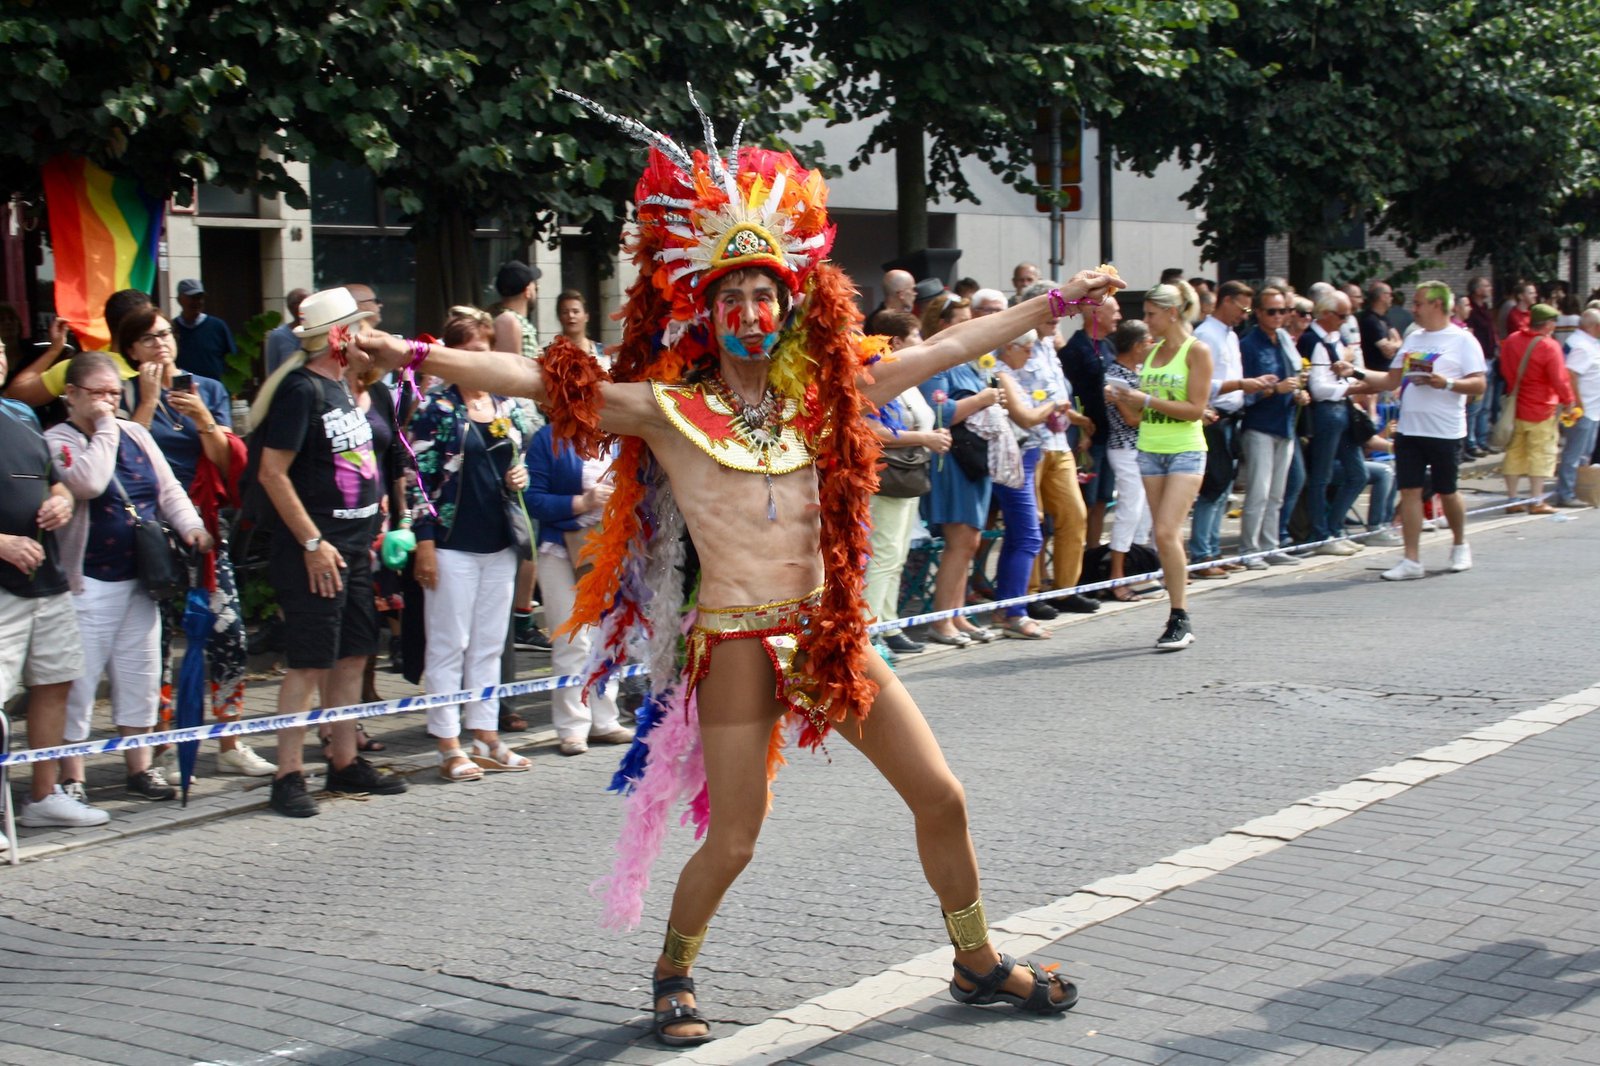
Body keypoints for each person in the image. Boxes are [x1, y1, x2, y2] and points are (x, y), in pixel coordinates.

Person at [356, 104, 1119, 1044]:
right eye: (732, 301)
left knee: (943, 795)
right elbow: (544, 386)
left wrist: (1057, 304)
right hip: (733, 642)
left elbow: (946, 347)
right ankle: (673, 972)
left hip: (829, 631)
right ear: (706, 315)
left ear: (789, 307)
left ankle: (974, 959)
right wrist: (413, 353)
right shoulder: (668, 409)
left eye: (766, 298)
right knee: (737, 837)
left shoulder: (824, 392)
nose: (752, 315)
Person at [251, 287, 408, 817]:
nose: (369, 335)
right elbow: (272, 473)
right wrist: (312, 543)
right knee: (309, 661)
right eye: (359, 326)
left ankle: (344, 763)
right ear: (338, 336)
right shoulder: (301, 390)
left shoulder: (342, 387)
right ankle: (288, 774)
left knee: (354, 652)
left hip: (355, 547)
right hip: (317, 550)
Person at [46, 353, 210, 803]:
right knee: (80, 680)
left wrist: (192, 526)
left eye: (115, 393)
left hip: (141, 578)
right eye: (98, 393)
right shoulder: (58, 440)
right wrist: (103, 429)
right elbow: (90, 483)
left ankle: (139, 766)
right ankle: (73, 775)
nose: (108, 402)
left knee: (140, 672)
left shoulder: (136, 432)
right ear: (72, 396)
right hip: (88, 579)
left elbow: (167, 488)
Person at [117, 306, 272, 777]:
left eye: (165, 334)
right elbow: (124, 458)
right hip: (148, 533)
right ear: (130, 350)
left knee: (228, 634)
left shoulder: (208, 389)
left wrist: (205, 418)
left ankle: (230, 740)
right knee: (157, 643)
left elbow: (229, 463)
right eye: (147, 339)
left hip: (203, 529)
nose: (160, 344)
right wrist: (145, 401)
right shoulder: (122, 393)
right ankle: (163, 744)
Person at [408, 310, 536, 778]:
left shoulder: (506, 406)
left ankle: (485, 735)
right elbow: (417, 480)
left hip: (499, 541)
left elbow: (520, 457)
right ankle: (448, 743)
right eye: (465, 355)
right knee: (449, 644)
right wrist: (425, 542)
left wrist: (519, 475)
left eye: (482, 353)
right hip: (452, 542)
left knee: (487, 645)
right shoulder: (436, 409)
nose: (476, 362)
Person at [0, 343, 103, 829]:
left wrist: (61, 501)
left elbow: (53, 480)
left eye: (1, 351)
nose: (0, 359)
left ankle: (43, 796)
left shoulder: (20, 413)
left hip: (45, 576)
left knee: (55, 681)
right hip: (2, 581)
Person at [1345, 281, 1486, 579]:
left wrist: (1446, 383)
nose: (1413, 308)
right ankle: (1411, 559)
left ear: (1437, 305)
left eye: (1419, 303)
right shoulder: (1413, 340)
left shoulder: (1463, 341)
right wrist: (1354, 373)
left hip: (1446, 429)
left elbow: (1479, 384)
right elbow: (1390, 380)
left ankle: (1460, 544)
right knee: (1409, 490)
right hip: (1410, 428)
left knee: (1447, 491)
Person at [1107, 280, 1211, 649]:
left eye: (1151, 314)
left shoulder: (1196, 351)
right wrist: (1121, 397)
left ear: (1171, 312)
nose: (1146, 322)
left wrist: (1143, 399)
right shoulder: (1151, 356)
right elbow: (1138, 414)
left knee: (1166, 531)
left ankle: (1180, 615)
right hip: (1149, 448)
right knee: (1163, 535)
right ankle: (1176, 610)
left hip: (1185, 449)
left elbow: (1195, 410)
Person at [524, 422, 636, 755]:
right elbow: (534, 500)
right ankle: (573, 726)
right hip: (562, 551)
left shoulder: (618, 438)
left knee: (609, 638)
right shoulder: (549, 438)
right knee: (573, 639)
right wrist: (583, 502)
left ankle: (604, 719)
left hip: (610, 549)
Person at [861, 310, 950, 655]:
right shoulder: (876, 376)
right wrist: (924, 438)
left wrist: (924, 437)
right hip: (886, 473)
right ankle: (870, 632)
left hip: (907, 473)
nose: (922, 344)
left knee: (895, 554)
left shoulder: (906, 377)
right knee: (883, 553)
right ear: (896, 342)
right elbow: (870, 428)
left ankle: (889, 622)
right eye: (916, 338)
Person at [918, 295, 1003, 647]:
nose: (971, 325)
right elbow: (939, 411)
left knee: (969, 542)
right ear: (942, 324)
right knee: (959, 541)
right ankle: (942, 619)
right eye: (962, 320)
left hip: (974, 457)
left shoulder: (969, 360)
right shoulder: (936, 361)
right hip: (951, 459)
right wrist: (983, 399)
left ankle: (956, 614)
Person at [989, 331, 1060, 639]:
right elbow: (1026, 417)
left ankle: (1007, 608)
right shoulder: (1001, 373)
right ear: (1009, 346)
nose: (1030, 356)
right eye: (1027, 349)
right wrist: (1053, 405)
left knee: (1020, 535)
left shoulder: (1008, 373)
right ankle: (1014, 612)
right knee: (1030, 536)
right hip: (1014, 460)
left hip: (1025, 457)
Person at [1237, 288, 1305, 567]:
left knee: (1277, 492)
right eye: (1271, 311)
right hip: (1260, 426)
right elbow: (1244, 393)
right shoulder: (1249, 344)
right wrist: (1274, 389)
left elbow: (1296, 376)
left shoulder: (1286, 341)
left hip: (1285, 424)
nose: (1278, 316)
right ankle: (1249, 549)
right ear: (1259, 313)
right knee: (1259, 491)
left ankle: (1271, 545)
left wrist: (1298, 391)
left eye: (1282, 311)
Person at [1298, 290, 1368, 556]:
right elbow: (1318, 387)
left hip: (1341, 411)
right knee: (1322, 476)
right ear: (1326, 314)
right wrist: (1349, 389)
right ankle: (1321, 533)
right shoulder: (1314, 341)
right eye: (1341, 315)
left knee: (1357, 474)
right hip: (1327, 412)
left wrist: (1349, 383)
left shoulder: (1335, 339)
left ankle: (1333, 527)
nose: (1345, 320)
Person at [4, 290, 150, 408]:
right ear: (135, 328)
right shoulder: (82, 368)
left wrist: (54, 350)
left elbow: (14, 394)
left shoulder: (80, 366)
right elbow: (15, 395)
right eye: (150, 323)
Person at [1497, 303, 1575, 515]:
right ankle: (1537, 500)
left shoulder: (1512, 340)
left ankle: (1512, 499)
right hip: (1541, 408)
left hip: (1516, 407)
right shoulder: (1549, 346)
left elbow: (1504, 367)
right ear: (1548, 324)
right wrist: (1568, 401)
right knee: (1541, 454)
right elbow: (1559, 379)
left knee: (1514, 453)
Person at [1058, 289, 1120, 551]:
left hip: (1110, 435)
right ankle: (1077, 555)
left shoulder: (1109, 347)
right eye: (1114, 311)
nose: (1119, 316)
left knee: (1102, 500)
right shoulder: (1075, 350)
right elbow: (1067, 395)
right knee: (1085, 498)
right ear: (1096, 314)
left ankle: (1093, 552)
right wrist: (1080, 430)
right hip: (1087, 438)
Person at [1101, 320, 1155, 600]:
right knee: (1129, 510)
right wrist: (1163, 411)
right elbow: (1132, 418)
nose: (1152, 346)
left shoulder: (1142, 371)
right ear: (1136, 346)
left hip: (1146, 448)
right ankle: (1116, 576)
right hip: (1125, 448)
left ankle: (1138, 571)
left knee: (1144, 513)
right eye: (1148, 341)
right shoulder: (1115, 376)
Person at [1555, 308, 1600, 506]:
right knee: (1575, 453)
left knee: (1583, 453)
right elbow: (1570, 374)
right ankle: (1566, 493)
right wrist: (1577, 403)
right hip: (1585, 408)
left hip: (1592, 407)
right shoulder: (1582, 345)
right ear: (1596, 327)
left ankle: (1578, 489)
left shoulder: (1586, 342)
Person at [171, 279, 236, 384]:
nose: (197, 302)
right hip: (183, 390)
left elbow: (232, 359)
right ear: (179, 300)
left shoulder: (218, 326)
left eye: (200, 297)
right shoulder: (172, 329)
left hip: (212, 390)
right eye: (192, 298)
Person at [492, 261, 541, 358]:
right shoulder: (513, 324)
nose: (536, 290)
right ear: (527, 292)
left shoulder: (497, 320)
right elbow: (518, 370)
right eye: (535, 287)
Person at [263, 288, 312, 376]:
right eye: (302, 302)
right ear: (291, 307)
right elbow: (273, 371)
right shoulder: (278, 335)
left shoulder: (319, 332)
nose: (307, 305)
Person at [553, 289, 606, 364]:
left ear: (586, 317)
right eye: (565, 312)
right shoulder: (549, 355)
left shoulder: (604, 353)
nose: (571, 315)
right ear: (559, 317)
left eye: (575, 311)